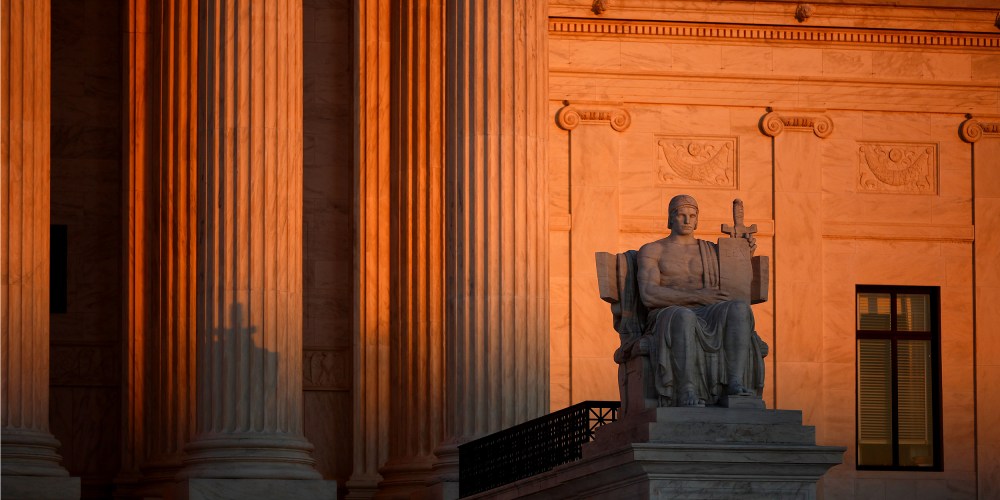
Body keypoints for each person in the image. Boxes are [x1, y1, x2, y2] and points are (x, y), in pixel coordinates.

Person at [636, 194, 762, 407]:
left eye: (692, 216)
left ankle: (735, 383)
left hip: (708, 310)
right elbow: (649, 294)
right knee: (684, 316)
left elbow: (736, 284)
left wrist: (744, 254)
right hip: (667, 312)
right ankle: (687, 389)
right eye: (681, 215)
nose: (687, 220)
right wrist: (698, 296)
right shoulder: (653, 250)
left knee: (739, 310)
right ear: (670, 219)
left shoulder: (712, 250)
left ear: (697, 220)